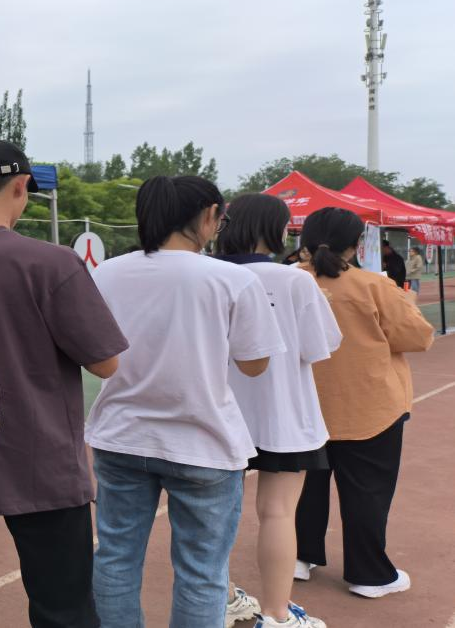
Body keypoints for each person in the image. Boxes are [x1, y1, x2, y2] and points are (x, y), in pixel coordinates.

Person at [0, 139, 128, 627]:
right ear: (21, 187)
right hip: (39, 451)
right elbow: (105, 363)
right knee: (64, 605)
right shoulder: (50, 262)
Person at [85, 175, 285, 628]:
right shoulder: (233, 279)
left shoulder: (107, 272)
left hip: (121, 436)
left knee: (115, 556)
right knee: (202, 571)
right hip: (204, 442)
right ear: (209, 214)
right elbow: (254, 364)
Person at [215, 195, 342, 628]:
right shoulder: (294, 280)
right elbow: (319, 346)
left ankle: (223, 598)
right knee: (278, 512)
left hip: (218, 412)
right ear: (270, 228)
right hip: (282, 412)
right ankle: (276, 615)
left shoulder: (207, 273)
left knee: (211, 515)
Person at [294, 208, 434, 599]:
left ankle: (298, 556)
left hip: (302, 405)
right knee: (367, 492)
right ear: (357, 244)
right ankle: (368, 574)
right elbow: (417, 337)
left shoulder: (288, 281)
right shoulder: (374, 285)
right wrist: (406, 302)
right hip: (368, 406)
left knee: (300, 487)